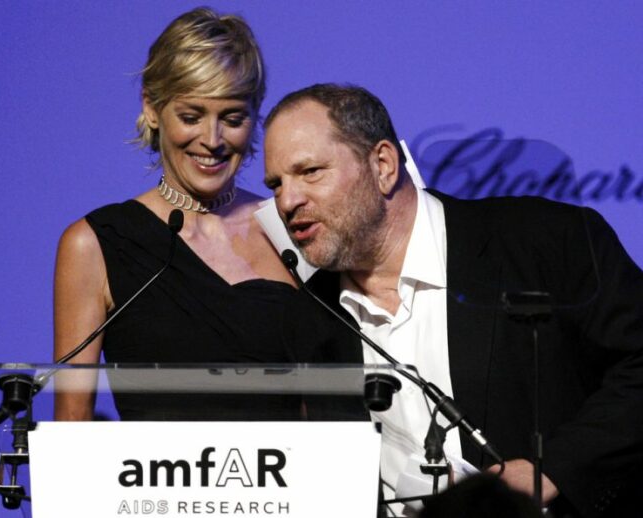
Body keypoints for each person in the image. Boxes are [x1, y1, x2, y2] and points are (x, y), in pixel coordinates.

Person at [263, 83, 643, 517]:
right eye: (275, 184)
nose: (287, 201)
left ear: (383, 165)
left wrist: (553, 470)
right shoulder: (306, 318)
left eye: (309, 171)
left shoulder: (545, 241)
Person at [53, 10, 354, 421]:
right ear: (152, 108)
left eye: (232, 119)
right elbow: (72, 426)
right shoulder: (96, 244)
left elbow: (325, 403)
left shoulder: (289, 226)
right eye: (191, 116)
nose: (212, 141)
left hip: (289, 482)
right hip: (152, 484)